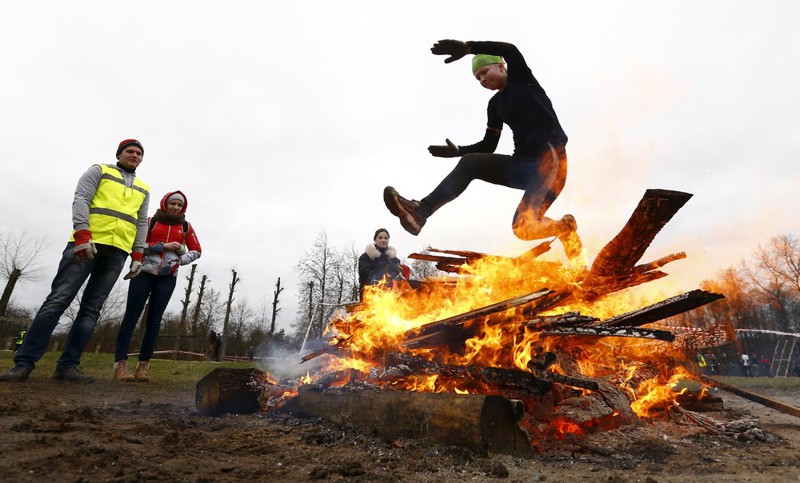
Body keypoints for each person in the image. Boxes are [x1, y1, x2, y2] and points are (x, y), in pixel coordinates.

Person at [383, 39, 582, 261]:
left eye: (485, 72)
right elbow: (489, 146)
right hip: (523, 166)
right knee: (476, 169)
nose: (482, 79)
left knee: (523, 226)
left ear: (501, 66)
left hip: (549, 163)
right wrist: (458, 151)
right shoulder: (495, 105)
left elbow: (511, 50)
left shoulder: (522, 80)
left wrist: (469, 47)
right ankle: (420, 212)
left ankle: (565, 230)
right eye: (478, 78)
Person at [0, 139, 150, 383]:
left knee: (92, 310)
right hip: (85, 244)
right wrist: (82, 233)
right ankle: (23, 364)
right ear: (119, 154)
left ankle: (68, 366)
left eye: (139, 153)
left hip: (117, 251)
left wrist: (138, 254)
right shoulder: (99, 171)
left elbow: (141, 221)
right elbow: (81, 199)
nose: (134, 155)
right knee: (58, 300)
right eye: (130, 151)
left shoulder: (143, 188)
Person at [113, 191, 202, 382]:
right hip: (143, 273)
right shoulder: (150, 221)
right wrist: (162, 247)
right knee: (131, 317)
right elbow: (136, 244)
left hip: (167, 277)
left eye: (179, 205)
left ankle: (143, 367)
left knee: (154, 322)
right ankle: (120, 365)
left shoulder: (186, 227)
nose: (176, 207)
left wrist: (179, 260)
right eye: (173, 204)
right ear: (165, 204)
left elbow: (197, 251)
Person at [358, 228, 406, 297]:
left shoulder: (394, 260)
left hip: (391, 298)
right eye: (380, 238)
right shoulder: (365, 257)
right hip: (370, 297)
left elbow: (399, 279)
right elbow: (364, 275)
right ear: (375, 240)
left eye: (386, 238)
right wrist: (379, 269)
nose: (383, 240)